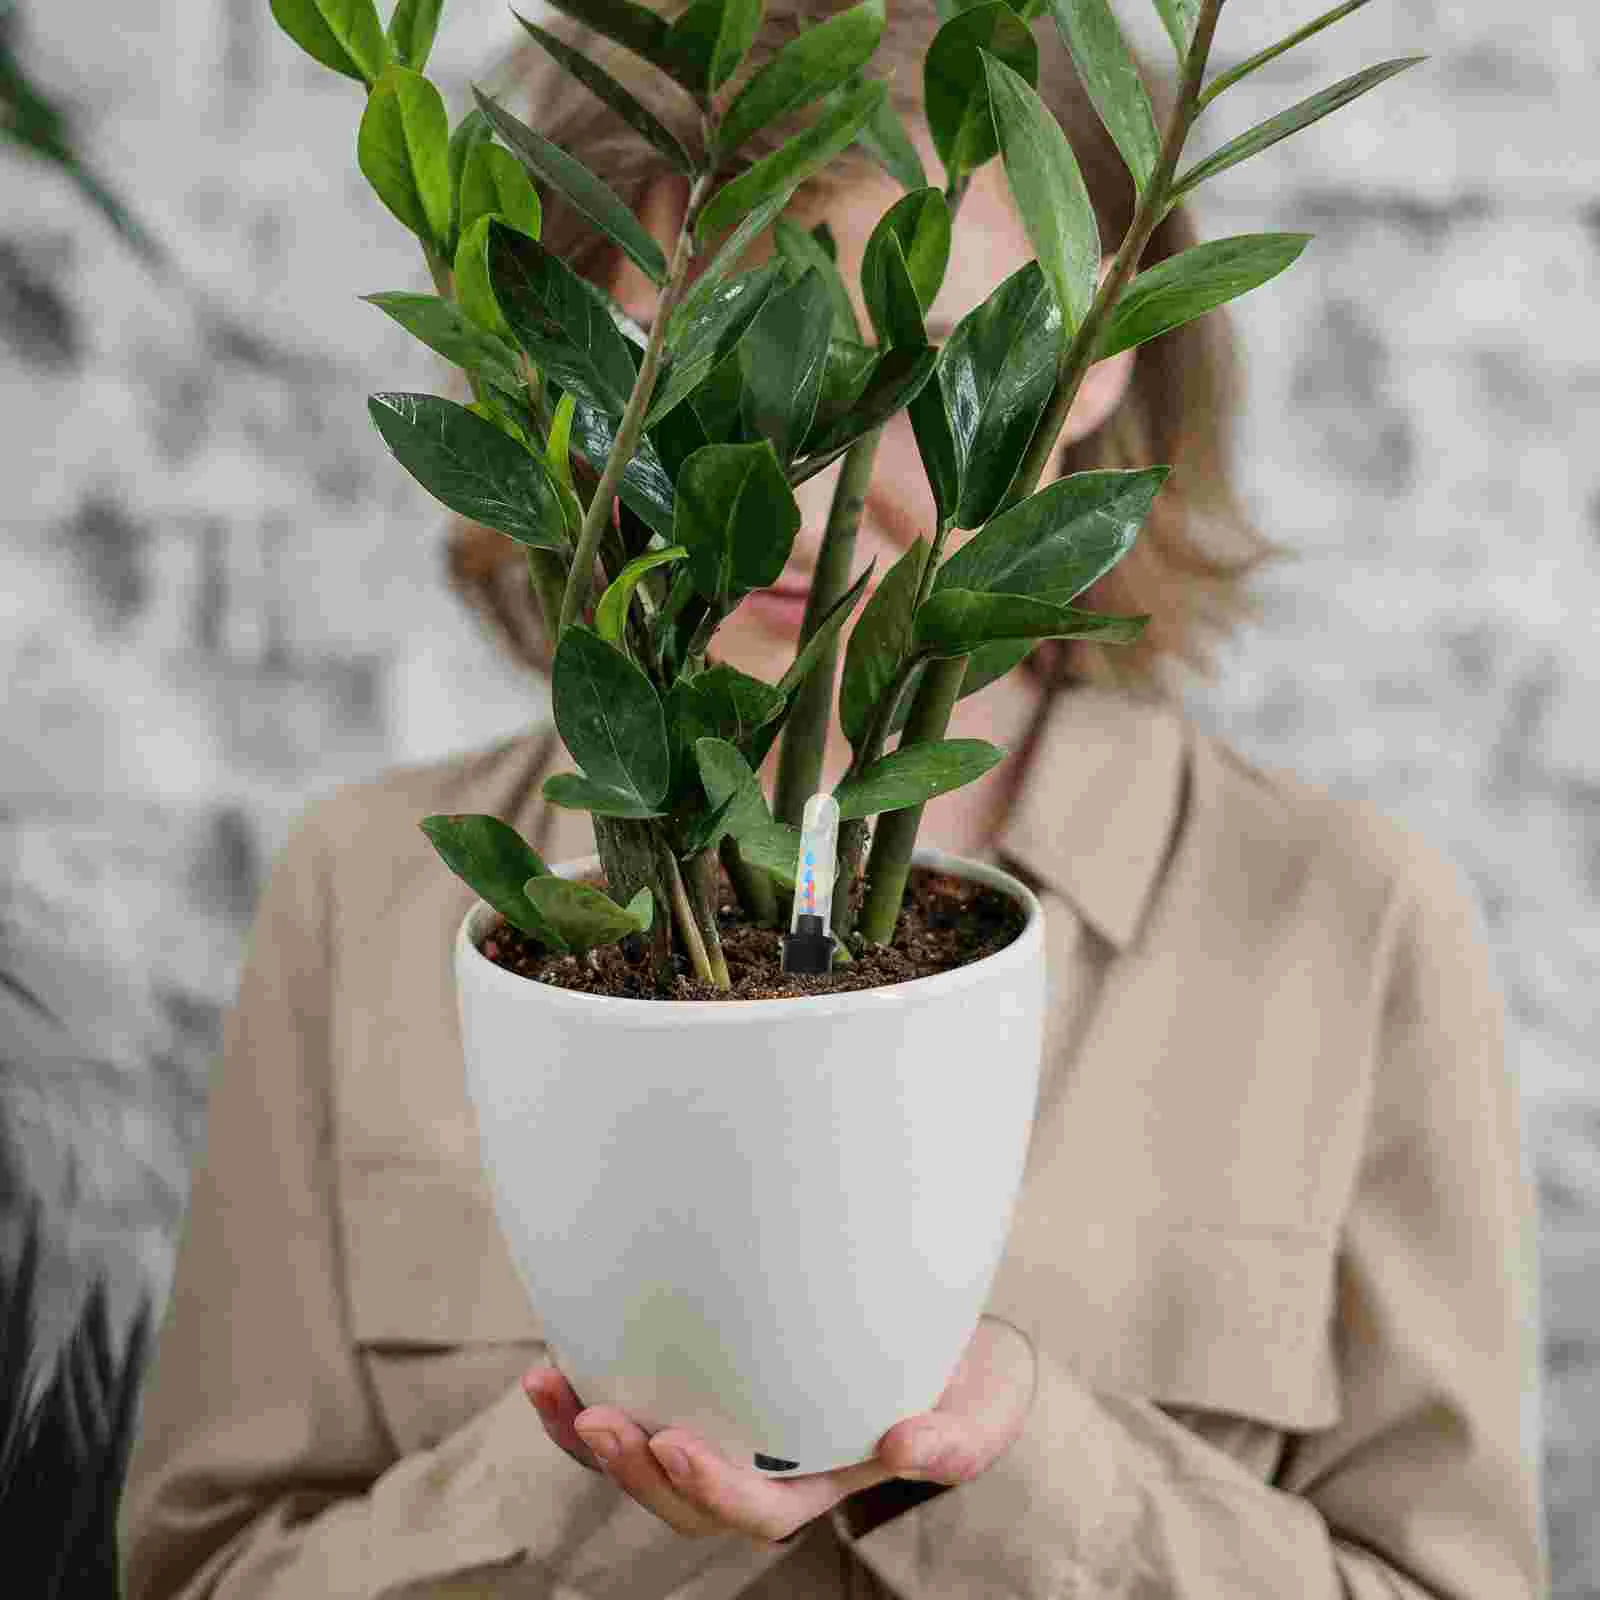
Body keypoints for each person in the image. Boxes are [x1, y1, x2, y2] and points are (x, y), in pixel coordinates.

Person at [118, 2, 1549, 1595]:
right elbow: (206, 1570)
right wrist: (620, 1462)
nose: (796, 496)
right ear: (568, 361)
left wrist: (1004, 1464)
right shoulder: (373, 899)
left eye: (921, 369)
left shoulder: (1345, 930)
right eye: (710, 364)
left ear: (1100, 355)